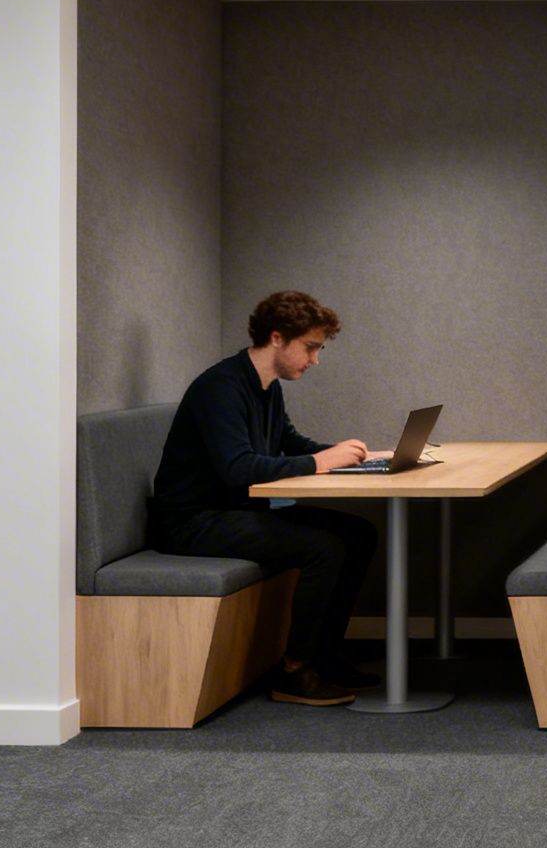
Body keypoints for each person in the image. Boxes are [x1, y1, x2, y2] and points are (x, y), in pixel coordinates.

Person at [149, 290, 382, 706]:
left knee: (359, 533)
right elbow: (238, 468)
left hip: (237, 512)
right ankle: (294, 670)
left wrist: (358, 458)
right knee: (323, 548)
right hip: (193, 523)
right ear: (277, 338)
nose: (314, 360)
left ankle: (325, 656)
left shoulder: (267, 386)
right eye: (310, 348)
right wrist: (320, 461)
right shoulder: (219, 387)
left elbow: (289, 443)